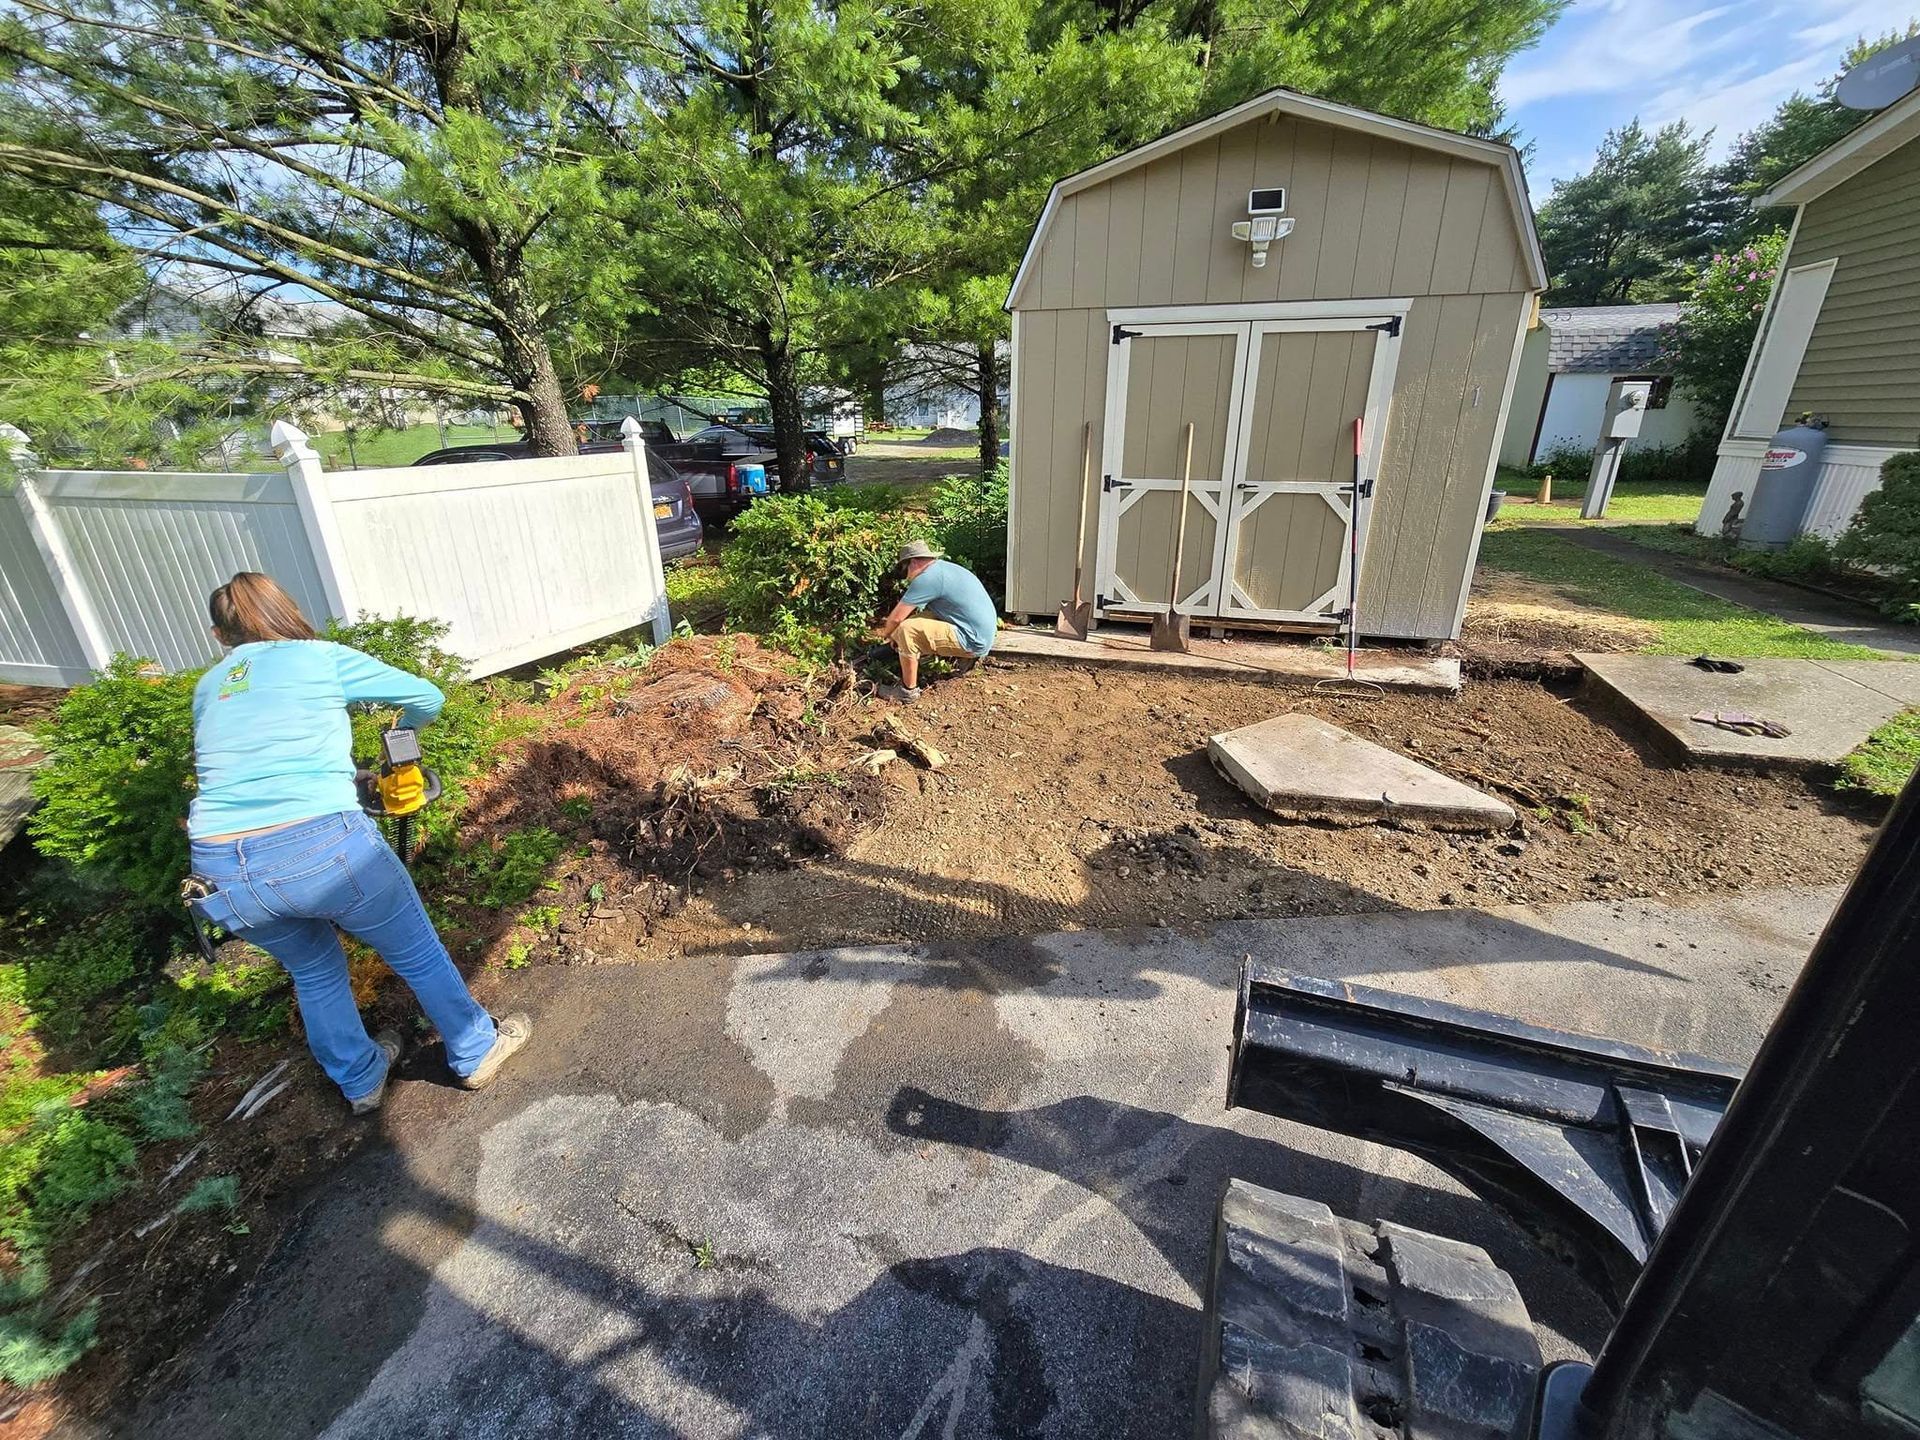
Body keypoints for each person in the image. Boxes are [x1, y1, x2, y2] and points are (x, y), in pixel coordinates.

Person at [184, 573, 530, 1115]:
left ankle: (360, 1078)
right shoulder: (317, 657)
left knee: (314, 969)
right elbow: (427, 697)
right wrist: (398, 739)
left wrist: (343, 775)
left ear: (217, 635)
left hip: (218, 871)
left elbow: (254, 766)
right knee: (415, 950)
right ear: (285, 612)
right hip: (321, 847)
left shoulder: (209, 686)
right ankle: (476, 1047)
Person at [870, 539, 997, 703]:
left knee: (907, 630)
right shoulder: (943, 569)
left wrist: (888, 636)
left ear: (914, 562)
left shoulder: (927, 578)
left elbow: (896, 618)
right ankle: (957, 659)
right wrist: (896, 638)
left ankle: (907, 692)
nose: (906, 577)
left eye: (904, 570)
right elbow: (915, 613)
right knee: (912, 623)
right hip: (981, 633)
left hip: (973, 640)